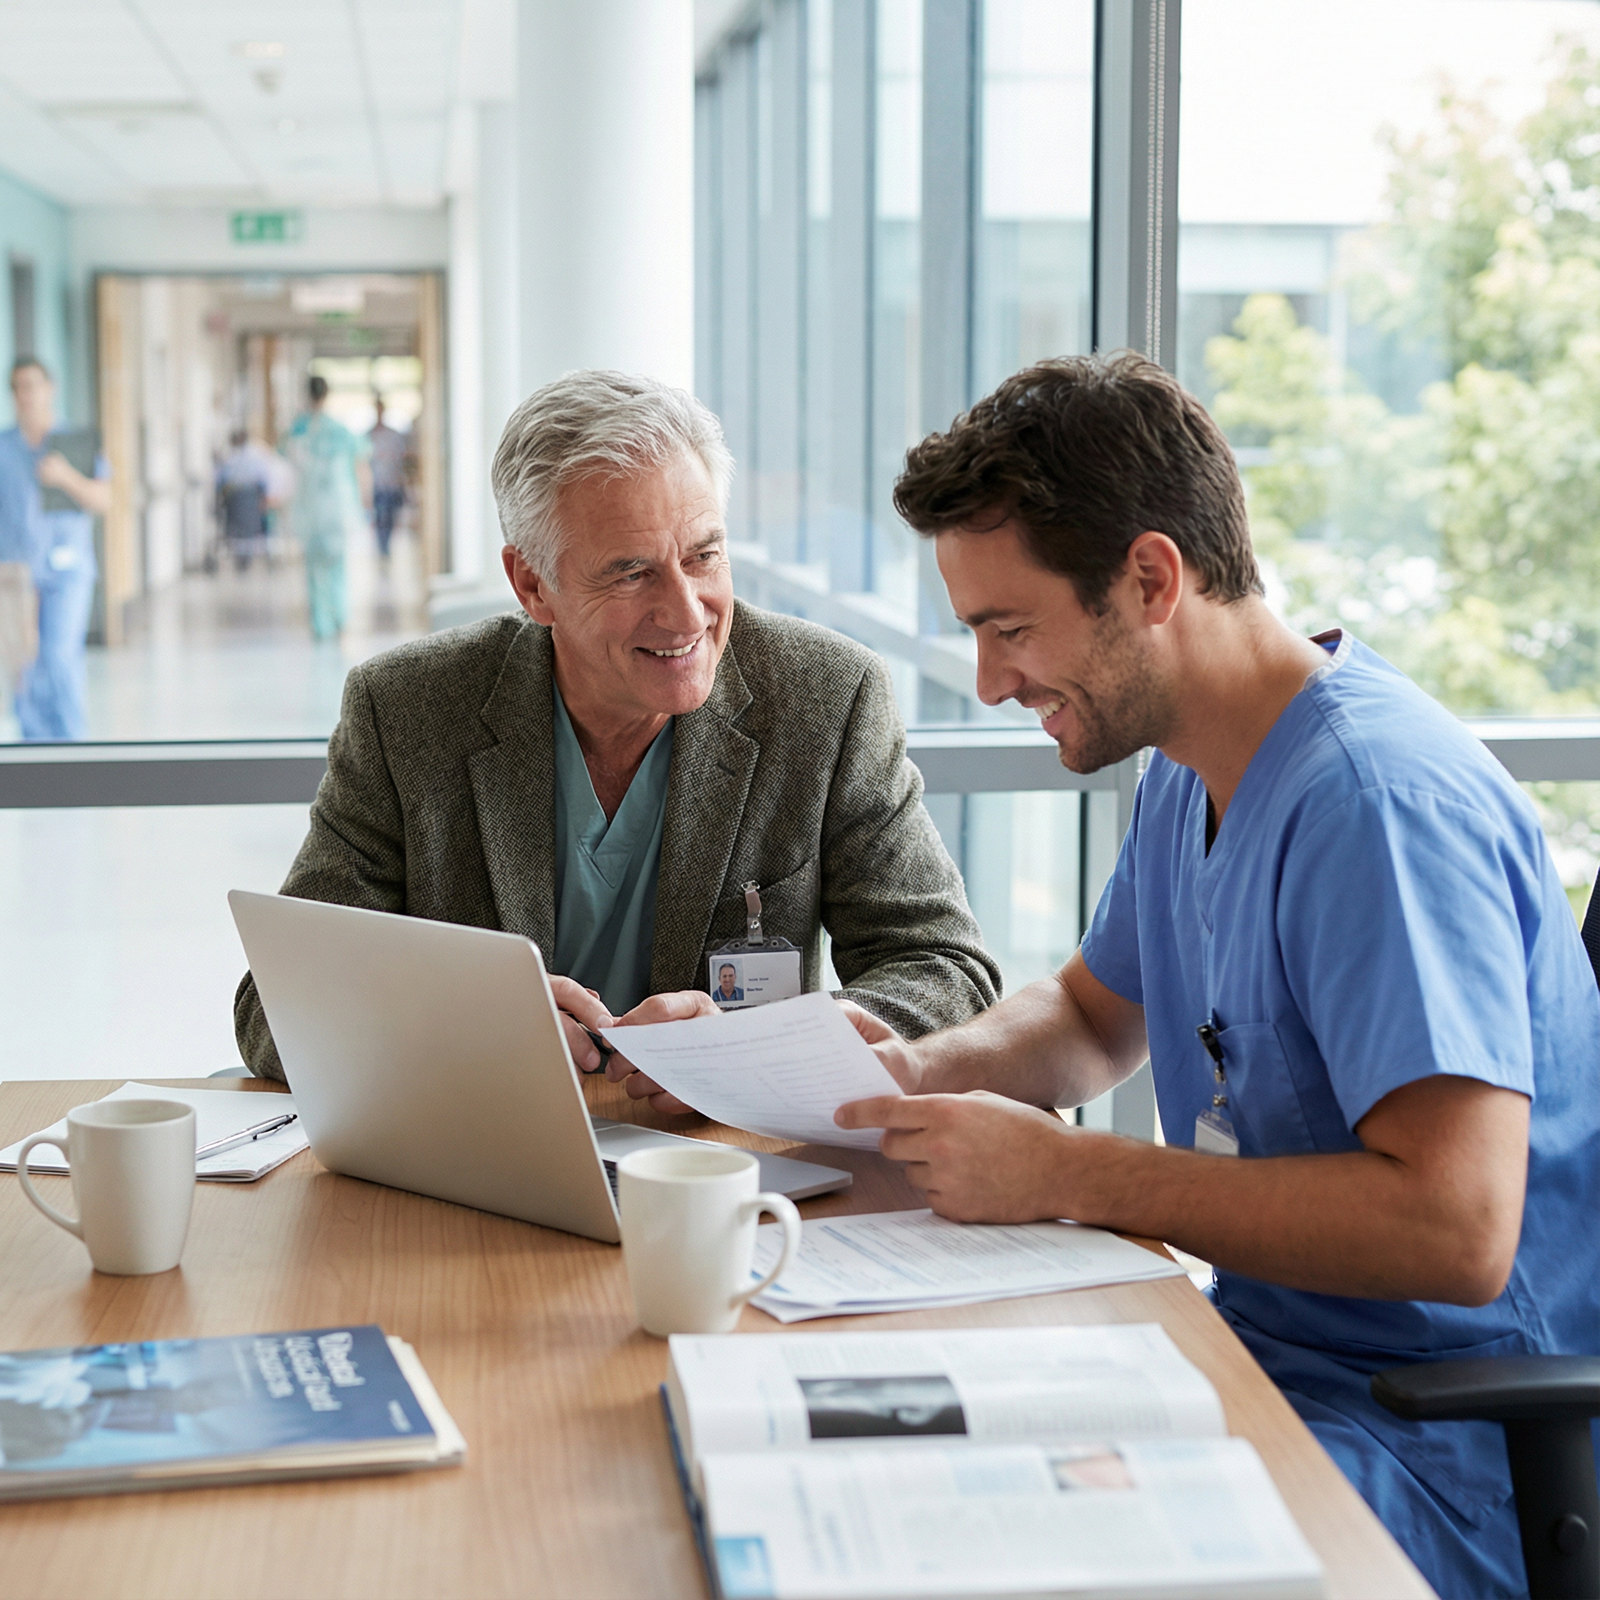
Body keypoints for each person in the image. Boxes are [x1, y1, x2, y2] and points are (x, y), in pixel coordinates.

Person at [833, 352, 1600, 1600]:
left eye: (1008, 628)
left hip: (1443, 1454)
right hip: (1246, 1364)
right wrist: (914, 1068)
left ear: (1149, 579)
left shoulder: (1374, 807)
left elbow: (1457, 1229)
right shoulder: (1188, 767)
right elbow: (1090, 1016)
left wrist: (1076, 1176)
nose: (987, 681)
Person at [235, 370, 1000, 1095]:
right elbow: (271, 1007)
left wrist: (775, 1041)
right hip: (487, 1163)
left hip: (726, 1168)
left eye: (704, 556)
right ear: (532, 584)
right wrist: (465, 1024)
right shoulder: (407, 711)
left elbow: (945, 971)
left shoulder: (825, 698)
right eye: (632, 573)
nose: (686, 611)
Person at [0, 358, 110, 741]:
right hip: (13, 574)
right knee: (24, 665)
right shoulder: (4, 448)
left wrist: (65, 476)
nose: (26, 396)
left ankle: (69, 747)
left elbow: (103, 499)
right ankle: (35, 752)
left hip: (67, 571)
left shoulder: (73, 443)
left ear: (51, 389)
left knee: (59, 657)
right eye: (18, 388)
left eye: (33, 386)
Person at [283, 376, 370, 640]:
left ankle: (320, 623)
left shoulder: (297, 430)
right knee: (338, 565)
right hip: (338, 509)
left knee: (313, 568)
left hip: (309, 509)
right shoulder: (340, 430)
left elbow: (286, 467)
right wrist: (364, 502)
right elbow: (360, 465)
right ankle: (339, 617)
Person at [214, 428, 291, 569]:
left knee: (236, 529)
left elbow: (220, 480)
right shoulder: (255, 458)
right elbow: (264, 479)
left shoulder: (228, 459)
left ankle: (242, 557)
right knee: (253, 528)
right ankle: (253, 556)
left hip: (234, 499)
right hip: (250, 498)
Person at [367, 398, 411, 560]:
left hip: (391, 484)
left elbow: (401, 461)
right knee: (380, 518)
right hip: (377, 485)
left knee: (390, 518)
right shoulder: (369, 435)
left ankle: (386, 547)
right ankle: (382, 548)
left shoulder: (393, 436)